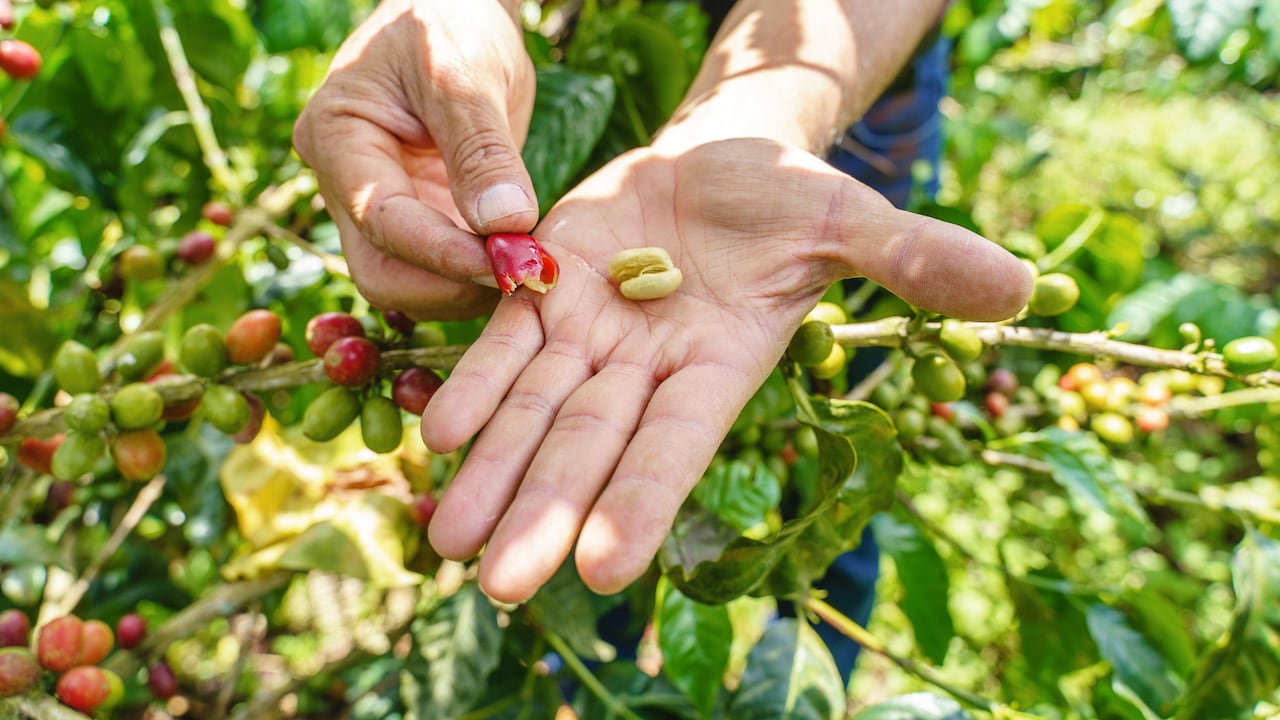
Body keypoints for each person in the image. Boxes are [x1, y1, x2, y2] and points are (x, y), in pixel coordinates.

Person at [293, 0, 1029, 623]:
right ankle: (608, 651)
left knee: (828, 467)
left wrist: (755, 120)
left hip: (849, 60)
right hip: (622, 52)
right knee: (588, 505)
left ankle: (825, 620)